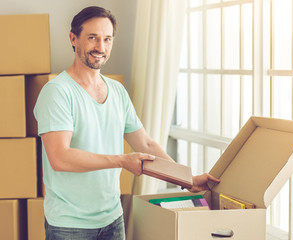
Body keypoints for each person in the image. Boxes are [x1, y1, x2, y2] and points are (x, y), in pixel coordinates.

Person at [34, 6, 220, 240]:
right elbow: (59, 157)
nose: (100, 47)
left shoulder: (117, 92)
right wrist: (122, 160)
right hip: (69, 226)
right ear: (73, 38)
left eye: (107, 39)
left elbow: (146, 144)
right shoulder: (57, 92)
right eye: (92, 38)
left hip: (112, 220)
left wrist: (187, 179)